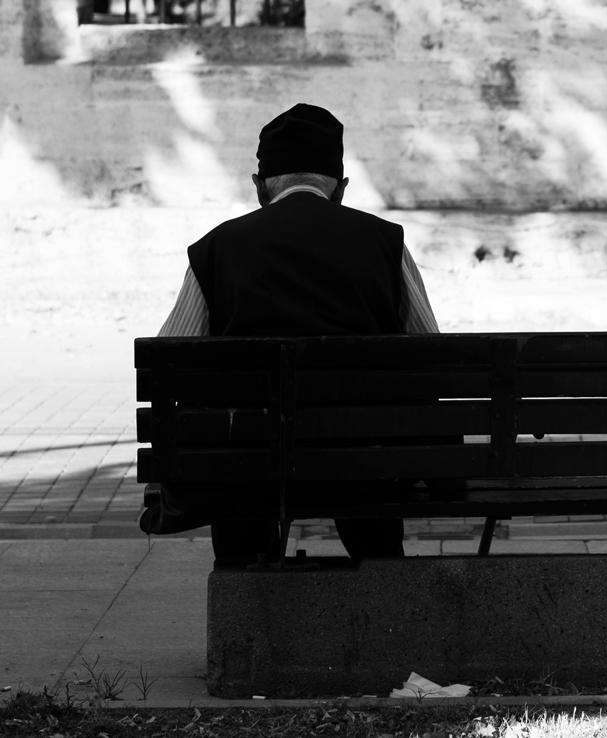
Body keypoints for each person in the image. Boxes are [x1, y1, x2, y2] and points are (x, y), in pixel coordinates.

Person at [140, 103, 440, 564]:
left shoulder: (218, 247)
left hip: (250, 464)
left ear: (260, 188)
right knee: (368, 460)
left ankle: (241, 593)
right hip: (365, 465)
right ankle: (383, 584)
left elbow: (169, 361)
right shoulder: (385, 242)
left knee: (237, 471)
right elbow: (430, 354)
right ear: (340, 189)